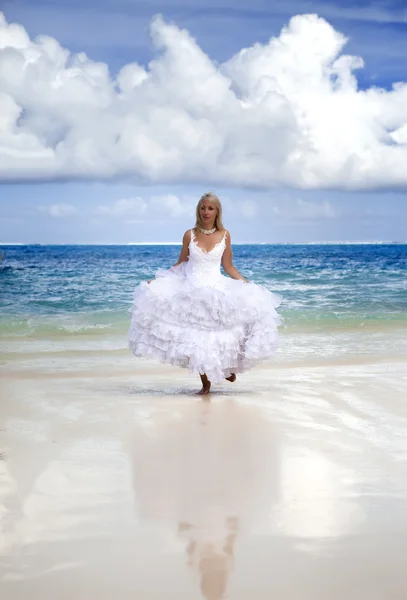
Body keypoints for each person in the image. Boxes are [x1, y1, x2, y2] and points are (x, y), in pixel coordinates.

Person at [128, 192, 281, 395]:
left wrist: (246, 284)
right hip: (190, 290)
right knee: (196, 340)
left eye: (210, 208)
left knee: (220, 335)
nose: (206, 212)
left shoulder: (225, 235)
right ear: (198, 210)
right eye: (202, 208)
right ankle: (206, 384)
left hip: (216, 290)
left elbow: (228, 266)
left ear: (217, 211)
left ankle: (226, 370)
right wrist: (158, 280)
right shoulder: (189, 234)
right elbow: (181, 263)